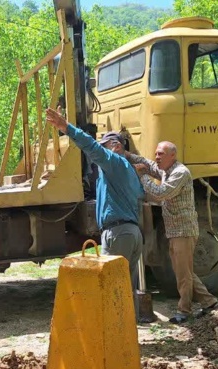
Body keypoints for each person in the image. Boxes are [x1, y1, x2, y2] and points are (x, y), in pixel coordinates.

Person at [45, 108, 144, 307]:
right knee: (126, 288)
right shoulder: (128, 171)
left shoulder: (115, 162)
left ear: (115, 146)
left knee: (112, 286)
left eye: (104, 146)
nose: (98, 154)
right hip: (131, 233)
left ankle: (115, 333)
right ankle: (127, 334)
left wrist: (67, 128)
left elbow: (91, 147)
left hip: (118, 234)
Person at [127, 142, 218, 324]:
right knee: (183, 270)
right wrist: (127, 154)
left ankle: (184, 311)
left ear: (172, 156)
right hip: (176, 231)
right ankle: (209, 301)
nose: (157, 157)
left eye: (161, 154)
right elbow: (147, 163)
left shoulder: (180, 173)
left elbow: (161, 193)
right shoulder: (165, 169)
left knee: (183, 274)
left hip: (183, 231)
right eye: (156, 153)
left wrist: (142, 176)